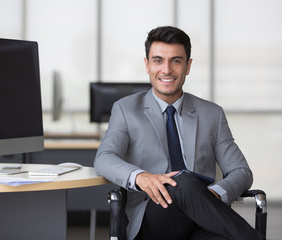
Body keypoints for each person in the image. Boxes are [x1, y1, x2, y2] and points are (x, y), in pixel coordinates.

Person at [94, 26, 264, 240]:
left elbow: (241, 171)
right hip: (154, 217)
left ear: (188, 66)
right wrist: (142, 177)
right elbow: (104, 158)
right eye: (158, 60)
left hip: (202, 219)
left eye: (176, 60)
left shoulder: (212, 114)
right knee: (182, 181)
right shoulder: (126, 109)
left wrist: (213, 194)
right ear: (147, 65)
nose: (166, 70)